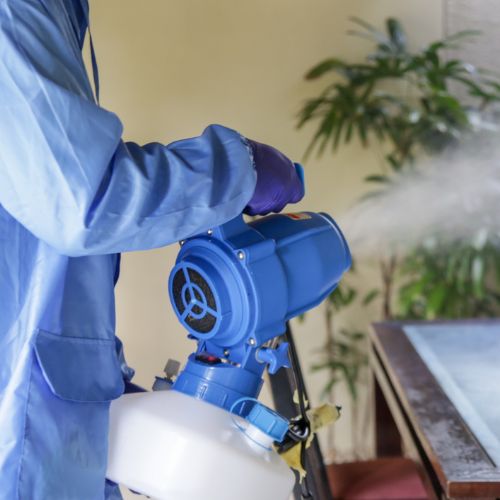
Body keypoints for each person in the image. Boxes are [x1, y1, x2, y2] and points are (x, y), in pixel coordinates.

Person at [0, 0, 304, 498]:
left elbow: (39, 254)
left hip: (42, 417)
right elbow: (84, 202)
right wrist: (238, 168)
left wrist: (99, 386)